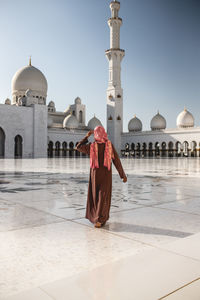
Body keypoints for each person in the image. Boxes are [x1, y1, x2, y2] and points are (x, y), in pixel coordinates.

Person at [76, 126, 127, 228]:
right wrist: (122, 175)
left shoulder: (91, 146)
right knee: (103, 197)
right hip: (106, 175)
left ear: (95, 134)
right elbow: (116, 160)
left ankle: (97, 218)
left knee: (96, 197)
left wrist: (86, 137)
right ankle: (100, 219)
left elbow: (78, 146)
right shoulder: (109, 145)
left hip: (95, 175)